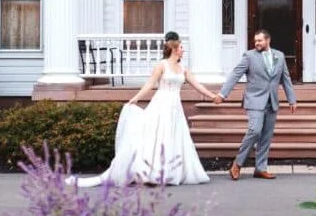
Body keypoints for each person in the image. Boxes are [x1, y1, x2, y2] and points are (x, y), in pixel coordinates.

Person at [67, 31, 214, 187]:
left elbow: (197, 84)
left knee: (174, 136)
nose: (183, 50)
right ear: (174, 48)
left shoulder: (183, 69)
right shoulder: (161, 65)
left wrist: (212, 96)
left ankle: (171, 172)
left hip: (175, 107)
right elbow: (150, 84)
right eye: (181, 47)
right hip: (161, 103)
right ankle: (152, 172)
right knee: (157, 136)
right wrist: (136, 98)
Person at [215, 28, 297, 180]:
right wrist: (222, 94)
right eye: (255, 41)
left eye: (259, 40)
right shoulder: (249, 56)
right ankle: (237, 164)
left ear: (268, 40)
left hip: (272, 101)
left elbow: (286, 79)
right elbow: (235, 74)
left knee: (266, 136)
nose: (257, 43)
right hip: (254, 100)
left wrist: (291, 99)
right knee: (255, 130)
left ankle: (260, 168)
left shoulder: (279, 56)